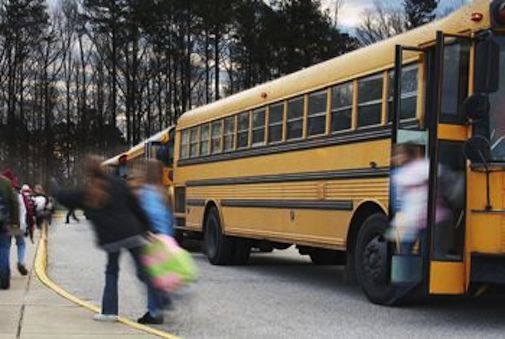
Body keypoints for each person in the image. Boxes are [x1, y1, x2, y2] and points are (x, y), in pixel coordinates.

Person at [53, 155, 164, 322]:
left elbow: (64, 196)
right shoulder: (119, 183)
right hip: (132, 233)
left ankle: (109, 311)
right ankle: (157, 309)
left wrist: (55, 186)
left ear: (88, 173)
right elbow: (136, 206)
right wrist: (148, 228)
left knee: (112, 271)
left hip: (111, 240)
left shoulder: (87, 191)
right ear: (104, 168)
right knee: (144, 272)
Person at [136, 160, 174, 324]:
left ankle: (155, 312)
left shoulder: (147, 192)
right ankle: (163, 298)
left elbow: (150, 215)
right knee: (155, 273)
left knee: (148, 275)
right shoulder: (162, 191)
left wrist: (149, 233)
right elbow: (168, 217)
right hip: (166, 237)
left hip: (154, 237)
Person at [2, 170, 32, 276]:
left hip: (4, 222)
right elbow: (27, 209)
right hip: (17, 223)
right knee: (21, 243)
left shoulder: (3, 191)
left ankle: (5, 269)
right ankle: (21, 262)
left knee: (5, 247)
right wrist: (27, 225)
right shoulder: (19, 193)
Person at [0, 170, 20, 289]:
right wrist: (14, 223)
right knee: (4, 250)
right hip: (4, 223)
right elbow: (14, 203)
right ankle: (4, 280)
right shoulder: (6, 183)